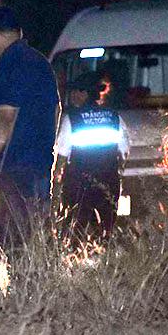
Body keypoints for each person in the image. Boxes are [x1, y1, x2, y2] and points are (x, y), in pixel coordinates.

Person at [0, 6, 60, 203]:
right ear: (20, 32)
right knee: (37, 218)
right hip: (40, 165)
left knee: (12, 221)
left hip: (12, 169)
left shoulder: (9, 64)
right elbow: (56, 109)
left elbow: (6, 117)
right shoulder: (41, 62)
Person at [54, 74, 129, 240]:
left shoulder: (72, 119)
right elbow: (124, 151)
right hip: (108, 182)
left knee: (76, 230)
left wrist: (56, 183)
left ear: (86, 93)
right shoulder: (114, 117)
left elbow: (62, 155)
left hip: (79, 184)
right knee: (106, 229)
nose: (72, 95)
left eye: (77, 91)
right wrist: (116, 174)